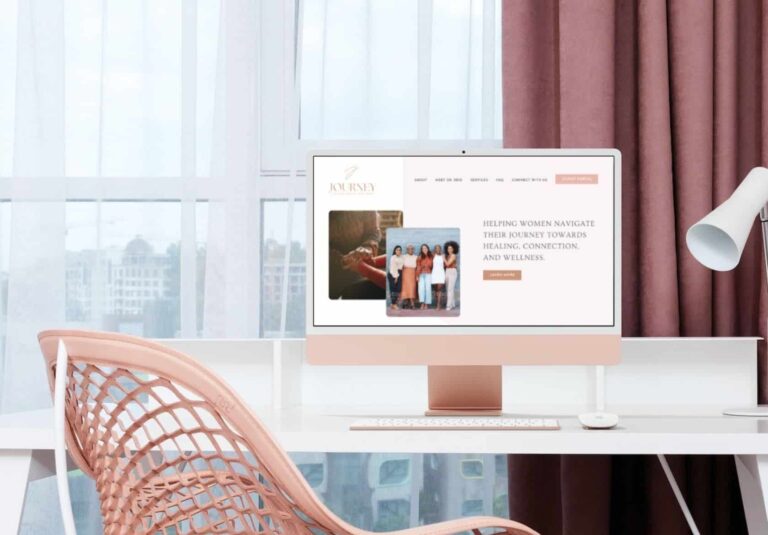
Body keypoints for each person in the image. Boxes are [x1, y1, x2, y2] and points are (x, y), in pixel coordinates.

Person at [399, 244, 418, 309]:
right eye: (409, 249)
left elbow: (417, 267)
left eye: (412, 249)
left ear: (413, 250)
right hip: (405, 274)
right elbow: (400, 265)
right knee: (406, 288)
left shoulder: (416, 257)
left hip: (413, 273)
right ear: (407, 250)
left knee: (412, 288)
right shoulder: (403, 256)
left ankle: (408, 303)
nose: (411, 250)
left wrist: (417, 276)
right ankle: (410, 304)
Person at [416, 243, 433, 310]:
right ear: (421, 250)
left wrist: (428, 266)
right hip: (421, 275)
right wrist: (417, 276)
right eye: (423, 248)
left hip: (429, 274)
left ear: (428, 249)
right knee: (421, 289)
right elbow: (418, 267)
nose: (424, 249)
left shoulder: (431, 257)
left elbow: (432, 266)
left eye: (425, 248)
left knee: (428, 289)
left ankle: (426, 304)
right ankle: (422, 304)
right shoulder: (419, 257)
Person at [444, 240, 459, 310]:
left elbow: (447, 264)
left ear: (454, 249)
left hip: (452, 271)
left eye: (451, 248)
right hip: (447, 271)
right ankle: (452, 304)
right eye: (448, 248)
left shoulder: (453, 255)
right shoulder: (447, 256)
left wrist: (443, 258)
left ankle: (448, 305)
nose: (449, 250)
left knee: (450, 289)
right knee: (448, 289)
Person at [431, 244, 445, 310]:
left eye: (439, 248)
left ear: (440, 249)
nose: (438, 249)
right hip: (434, 274)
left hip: (441, 273)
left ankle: (438, 305)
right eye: (436, 248)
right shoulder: (433, 255)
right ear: (435, 249)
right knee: (436, 290)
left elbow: (445, 264)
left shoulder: (443, 256)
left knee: (439, 289)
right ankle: (438, 303)